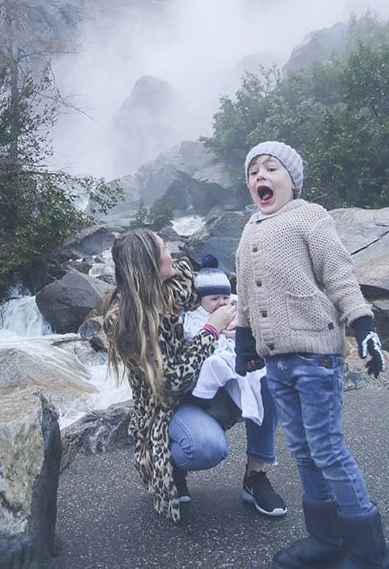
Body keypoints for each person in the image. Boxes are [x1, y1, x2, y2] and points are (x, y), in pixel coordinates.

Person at [236, 140, 388, 568]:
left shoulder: (308, 216)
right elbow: (245, 294)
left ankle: (368, 549)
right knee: (301, 449)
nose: (260, 177)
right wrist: (245, 347)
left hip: (316, 357)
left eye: (271, 169)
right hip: (276, 362)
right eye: (253, 172)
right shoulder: (249, 229)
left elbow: (339, 274)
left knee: (327, 448)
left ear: (292, 181)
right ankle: (325, 537)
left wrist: (364, 326)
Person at [103, 228, 286, 525]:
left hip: (205, 385)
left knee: (265, 376)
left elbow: (213, 298)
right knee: (207, 447)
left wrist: (230, 322)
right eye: (164, 250)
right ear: (148, 263)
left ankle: (256, 476)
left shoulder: (177, 284)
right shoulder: (124, 320)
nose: (171, 254)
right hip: (167, 406)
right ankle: (172, 466)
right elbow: (172, 381)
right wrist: (211, 330)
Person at [183, 254, 267, 426]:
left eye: (225, 297)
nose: (221, 303)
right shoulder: (197, 315)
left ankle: (244, 405)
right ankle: (207, 398)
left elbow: (252, 316)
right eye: (214, 299)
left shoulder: (234, 305)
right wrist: (216, 328)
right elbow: (192, 334)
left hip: (237, 354)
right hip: (211, 356)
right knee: (214, 365)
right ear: (201, 300)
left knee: (256, 373)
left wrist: (240, 327)